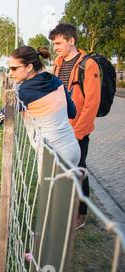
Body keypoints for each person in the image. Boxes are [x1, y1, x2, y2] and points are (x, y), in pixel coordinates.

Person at [0, 45, 81, 186]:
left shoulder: (24, 92)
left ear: (29, 67)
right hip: (72, 148)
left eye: (14, 68)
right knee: (68, 200)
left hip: (52, 155)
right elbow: (72, 112)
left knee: (51, 205)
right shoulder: (55, 80)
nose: (10, 73)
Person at [49, 23, 101, 230]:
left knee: (79, 169)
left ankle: (81, 213)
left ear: (71, 41)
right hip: (60, 126)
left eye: (58, 43)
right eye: (54, 44)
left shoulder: (88, 65)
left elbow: (92, 104)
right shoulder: (58, 62)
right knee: (61, 168)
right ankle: (63, 207)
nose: (55, 47)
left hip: (77, 130)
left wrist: (77, 132)